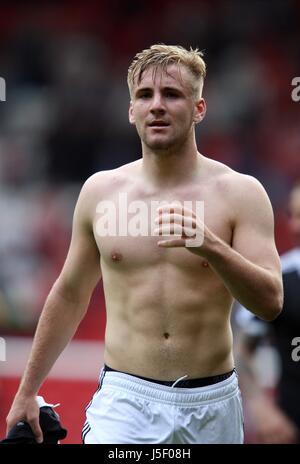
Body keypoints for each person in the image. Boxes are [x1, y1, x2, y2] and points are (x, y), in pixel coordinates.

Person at [6, 44, 283, 444]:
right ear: (131, 111)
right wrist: (27, 390)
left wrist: (211, 247)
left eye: (171, 95)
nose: (156, 106)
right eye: (144, 96)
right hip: (125, 401)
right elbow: (69, 294)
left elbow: (271, 302)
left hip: (212, 403)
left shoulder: (242, 194)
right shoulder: (100, 192)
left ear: (199, 109)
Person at [234, 182, 300, 444]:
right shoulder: (279, 281)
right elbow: (241, 352)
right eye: (293, 216)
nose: (296, 226)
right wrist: (260, 407)